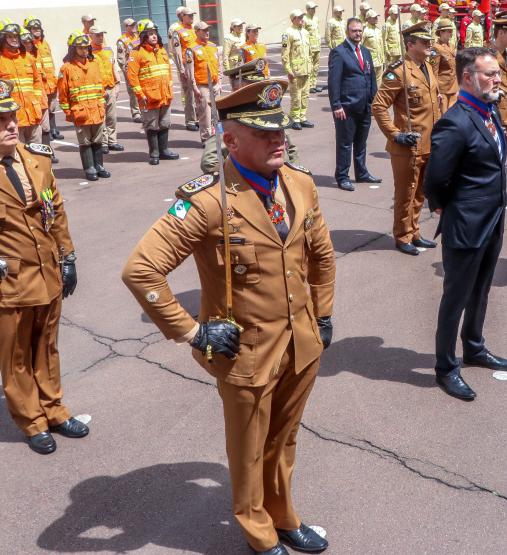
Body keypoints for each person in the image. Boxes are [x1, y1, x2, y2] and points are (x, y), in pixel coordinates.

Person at [122, 79, 335, 555]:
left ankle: (283, 513)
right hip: (248, 354)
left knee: (284, 440)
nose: (278, 138)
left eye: (279, 128)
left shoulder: (299, 183)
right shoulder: (207, 200)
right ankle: (258, 531)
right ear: (231, 141)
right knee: (248, 450)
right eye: (263, 132)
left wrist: (323, 316)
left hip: (302, 343)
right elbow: (141, 268)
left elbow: (321, 256)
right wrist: (193, 331)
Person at [0, 79, 87, 455]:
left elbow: (56, 212)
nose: (12, 125)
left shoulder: (38, 158)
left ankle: (54, 409)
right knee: (16, 357)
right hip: (6, 283)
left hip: (47, 274)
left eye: (13, 117)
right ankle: (32, 422)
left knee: (46, 348)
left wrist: (67, 258)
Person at [423, 46, 507, 401]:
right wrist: (450, 209)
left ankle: (474, 346)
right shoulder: (455, 120)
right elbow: (435, 181)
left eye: (498, 73)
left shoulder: (489, 111)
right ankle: (446, 368)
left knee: (481, 290)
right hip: (466, 224)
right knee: (455, 298)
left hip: (492, 220)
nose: (497, 79)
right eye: (490, 74)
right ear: (467, 77)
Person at [372, 21, 441, 256]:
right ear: (410, 45)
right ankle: (402, 236)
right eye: (424, 42)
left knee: (421, 192)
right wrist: (395, 134)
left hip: (429, 143)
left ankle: (414, 231)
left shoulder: (427, 67)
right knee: (406, 193)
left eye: (429, 41)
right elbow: (379, 106)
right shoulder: (398, 72)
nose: (429, 44)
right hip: (408, 145)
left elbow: (434, 105)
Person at [202, 60, 301, 173]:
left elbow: (291, 149)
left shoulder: (272, 115)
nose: (261, 88)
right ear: (237, 90)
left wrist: (292, 178)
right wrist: (243, 182)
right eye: (253, 86)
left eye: (262, 83)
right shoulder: (232, 123)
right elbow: (209, 161)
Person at [330, 17, 380, 191]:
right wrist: (336, 105)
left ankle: (362, 173)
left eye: (360, 30)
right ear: (347, 32)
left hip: (364, 106)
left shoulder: (365, 51)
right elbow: (333, 82)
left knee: (361, 142)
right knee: (345, 143)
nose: (358, 33)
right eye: (354, 30)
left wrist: (374, 102)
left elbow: (371, 77)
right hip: (347, 107)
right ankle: (342, 176)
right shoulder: (339, 52)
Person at [58, 31, 110, 181]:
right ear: (73, 49)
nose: (84, 50)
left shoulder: (94, 65)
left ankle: (99, 166)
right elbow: (63, 94)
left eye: (86, 47)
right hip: (80, 112)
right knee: (85, 142)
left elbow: (100, 88)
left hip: (97, 110)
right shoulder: (66, 68)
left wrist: (101, 104)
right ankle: (89, 168)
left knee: (98, 139)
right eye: (80, 48)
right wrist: (69, 112)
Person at [127, 19, 179, 165]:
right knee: (151, 125)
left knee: (165, 124)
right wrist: (140, 95)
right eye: (150, 34)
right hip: (148, 97)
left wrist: (170, 90)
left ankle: (164, 150)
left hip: (164, 95)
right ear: (143, 36)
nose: (154, 36)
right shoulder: (136, 53)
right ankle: (154, 153)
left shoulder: (162, 50)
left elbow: (168, 71)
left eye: (155, 33)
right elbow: (132, 76)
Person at [0, 20, 43, 144]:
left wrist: (36, 100)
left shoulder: (28, 57)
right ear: (2, 38)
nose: (14, 39)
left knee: (37, 153)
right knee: (17, 154)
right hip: (11, 118)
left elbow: (37, 81)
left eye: (16, 36)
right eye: (10, 37)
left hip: (32, 115)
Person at [24, 17, 64, 148]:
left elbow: (49, 62)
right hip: (40, 85)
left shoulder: (44, 43)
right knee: (42, 111)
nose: (37, 30)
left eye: (38, 28)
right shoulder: (30, 46)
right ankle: (47, 133)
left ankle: (52, 130)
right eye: (34, 28)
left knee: (51, 107)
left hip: (50, 81)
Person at [184, 21, 221, 145]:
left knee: (216, 113)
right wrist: (194, 88)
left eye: (208, 30)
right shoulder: (191, 49)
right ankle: (206, 139)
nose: (207, 32)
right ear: (196, 32)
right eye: (204, 30)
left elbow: (218, 66)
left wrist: (220, 83)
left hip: (215, 83)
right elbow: (190, 71)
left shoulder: (212, 46)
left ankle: (217, 137)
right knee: (205, 113)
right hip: (202, 85)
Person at [89, 26, 124, 153]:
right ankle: (103, 142)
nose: (100, 38)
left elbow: (114, 67)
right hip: (97, 89)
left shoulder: (108, 50)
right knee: (101, 116)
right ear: (90, 36)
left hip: (110, 87)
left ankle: (112, 141)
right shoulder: (89, 51)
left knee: (111, 116)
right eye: (97, 35)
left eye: (101, 35)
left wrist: (117, 85)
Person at [169, 6, 199, 132]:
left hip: (198, 67)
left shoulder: (196, 30)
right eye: (189, 15)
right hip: (186, 67)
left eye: (193, 15)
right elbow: (176, 52)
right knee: (189, 95)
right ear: (183, 17)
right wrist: (181, 69)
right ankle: (190, 120)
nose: (192, 18)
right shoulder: (178, 32)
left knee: (199, 94)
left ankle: (198, 118)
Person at [282, 10, 314, 130]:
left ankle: (302, 118)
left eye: (302, 17)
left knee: (305, 95)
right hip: (295, 71)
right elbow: (285, 55)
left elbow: (309, 53)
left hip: (306, 70)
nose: (302, 19)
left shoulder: (305, 32)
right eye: (299, 18)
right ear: (293, 20)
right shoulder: (288, 33)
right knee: (296, 95)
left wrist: (310, 68)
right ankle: (295, 119)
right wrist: (289, 71)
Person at [116, 18, 142, 123]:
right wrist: (126, 72)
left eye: (134, 25)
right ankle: (136, 114)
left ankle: (143, 110)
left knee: (142, 90)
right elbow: (121, 59)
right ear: (125, 27)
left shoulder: (139, 37)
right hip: (130, 70)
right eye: (130, 25)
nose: (133, 27)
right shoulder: (122, 41)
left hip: (141, 68)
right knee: (133, 92)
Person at [433, 21, 459, 109]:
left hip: (453, 87)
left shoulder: (451, 46)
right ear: (441, 33)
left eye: (451, 32)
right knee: (443, 116)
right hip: (443, 88)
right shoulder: (436, 48)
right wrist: (436, 90)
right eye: (449, 32)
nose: (451, 34)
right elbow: (434, 71)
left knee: (454, 116)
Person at [361, 10, 386, 86]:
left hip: (379, 62)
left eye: (376, 17)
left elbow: (381, 46)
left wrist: (383, 60)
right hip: (370, 62)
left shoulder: (378, 30)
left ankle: (376, 97)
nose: (376, 18)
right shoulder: (364, 31)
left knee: (378, 82)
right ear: (368, 18)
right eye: (374, 17)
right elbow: (359, 46)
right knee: (369, 82)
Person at [304, 2, 323, 93]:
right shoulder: (304, 19)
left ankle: (314, 84)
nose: (314, 10)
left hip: (317, 46)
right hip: (310, 47)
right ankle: (309, 85)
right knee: (310, 67)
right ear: (307, 9)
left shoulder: (316, 19)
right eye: (312, 8)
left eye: (314, 8)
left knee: (315, 67)